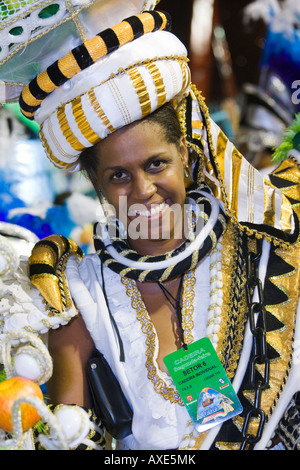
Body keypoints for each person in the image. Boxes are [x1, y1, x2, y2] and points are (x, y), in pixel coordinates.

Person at [1, 2, 299, 450]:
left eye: (156, 164)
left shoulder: (262, 244)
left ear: (184, 152)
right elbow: (66, 433)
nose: (143, 190)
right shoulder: (78, 292)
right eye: (118, 175)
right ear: (94, 183)